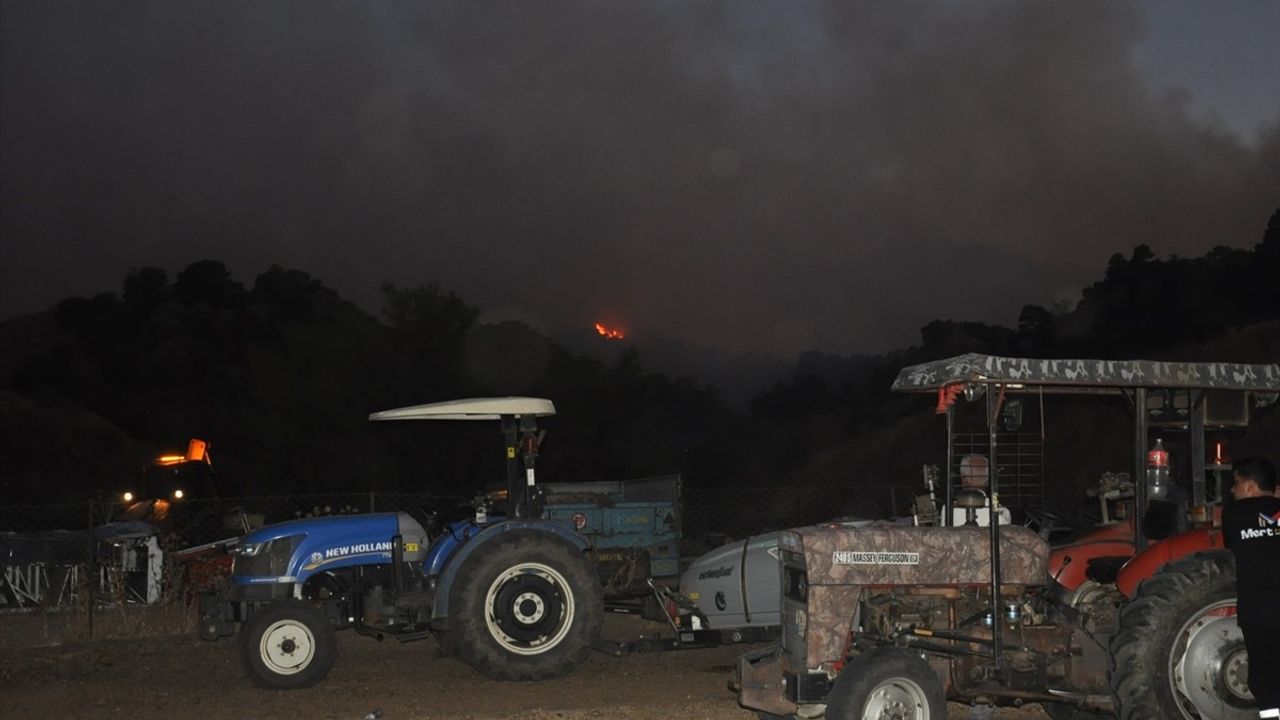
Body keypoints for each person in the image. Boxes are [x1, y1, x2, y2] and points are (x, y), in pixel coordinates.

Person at [1222, 456, 1280, 719]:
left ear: (1249, 485)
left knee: (1263, 675)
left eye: (1236, 484)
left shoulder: (1234, 514)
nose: (1232, 491)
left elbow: (1230, 544)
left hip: (1258, 611)